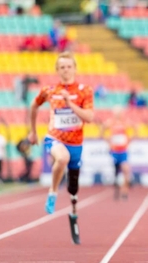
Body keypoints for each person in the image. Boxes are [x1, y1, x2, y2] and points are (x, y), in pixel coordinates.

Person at [28, 51, 94, 244]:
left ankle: (73, 212)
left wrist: (69, 103)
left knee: (74, 189)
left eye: (68, 66)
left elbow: (89, 117)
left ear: (74, 68)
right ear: (57, 70)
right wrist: (33, 132)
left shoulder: (84, 90)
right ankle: (52, 192)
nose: (65, 70)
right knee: (61, 158)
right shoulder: (49, 90)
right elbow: (33, 106)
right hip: (54, 138)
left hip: (76, 144)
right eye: (62, 67)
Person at [100, 106, 135, 200]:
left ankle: (124, 192)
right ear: (114, 113)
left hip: (123, 151)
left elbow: (135, 128)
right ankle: (116, 189)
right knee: (116, 172)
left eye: (120, 112)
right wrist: (108, 141)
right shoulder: (110, 122)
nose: (118, 114)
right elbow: (102, 130)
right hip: (114, 151)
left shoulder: (125, 122)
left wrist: (130, 139)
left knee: (126, 170)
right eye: (117, 112)